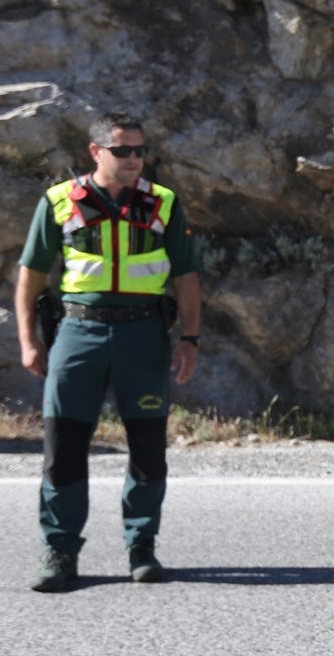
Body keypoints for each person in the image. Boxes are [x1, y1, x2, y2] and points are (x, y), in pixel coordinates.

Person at [14, 112, 202, 593]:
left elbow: (186, 276)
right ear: (96, 152)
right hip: (79, 336)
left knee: (147, 448)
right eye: (123, 151)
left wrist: (190, 339)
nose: (134, 159)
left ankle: (141, 546)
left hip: (143, 336)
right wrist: (28, 340)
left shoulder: (163, 203)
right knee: (64, 447)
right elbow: (31, 277)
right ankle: (60, 551)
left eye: (140, 150)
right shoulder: (59, 202)